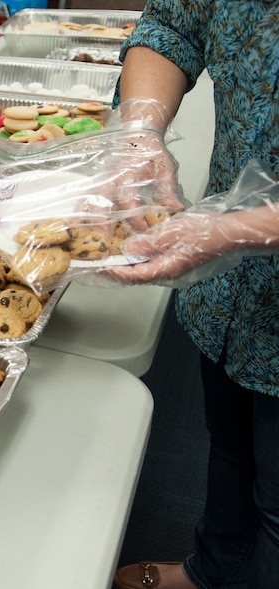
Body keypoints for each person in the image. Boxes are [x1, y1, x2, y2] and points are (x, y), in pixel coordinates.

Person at [106, 1, 279, 588]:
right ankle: (214, 568)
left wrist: (242, 229)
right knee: (229, 446)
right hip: (230, 286)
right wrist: (139, 131)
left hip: (234, 244)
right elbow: (174, 25)